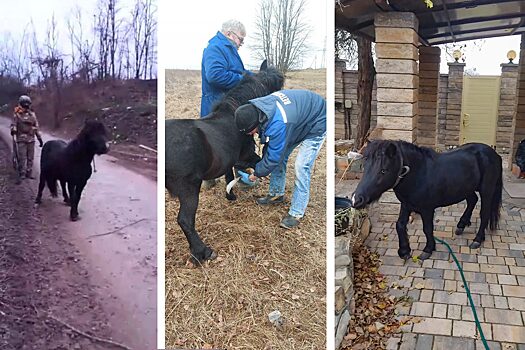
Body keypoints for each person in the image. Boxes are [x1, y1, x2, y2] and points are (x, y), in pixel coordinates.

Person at [234, 89, 326, 229]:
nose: (250, 135)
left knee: (301, 167)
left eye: (249, 132)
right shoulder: (259, 108)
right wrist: (261, 166)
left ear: (255, 124)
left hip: (317, 120)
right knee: (279, 155)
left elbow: (273, 157)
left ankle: (297, 212)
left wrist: (256, 174)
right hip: (298, 119)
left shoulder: (279, 122)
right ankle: (276, 195)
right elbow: (271, 148)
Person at [200, 19, 249, 118]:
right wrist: (243, 80)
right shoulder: (215, 48)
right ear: (229, 34)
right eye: (240, 39)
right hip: (215, 108)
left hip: (226, 106)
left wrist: (253, 76)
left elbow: (239, 71)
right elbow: (215, 75)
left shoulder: (228, 50)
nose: (241, 43)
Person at [10, 95, 43, 184]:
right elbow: (13, 125)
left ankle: (29, 172)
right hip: (21, 139)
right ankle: (22, 173)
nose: (26, 106)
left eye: (27, 104)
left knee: (30, 157)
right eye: (24, 104)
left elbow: (36, 127)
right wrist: (13, 130)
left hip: (31, 139)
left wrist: (39, 138)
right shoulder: (17, 114)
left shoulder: (32, 115)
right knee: (22, 157)